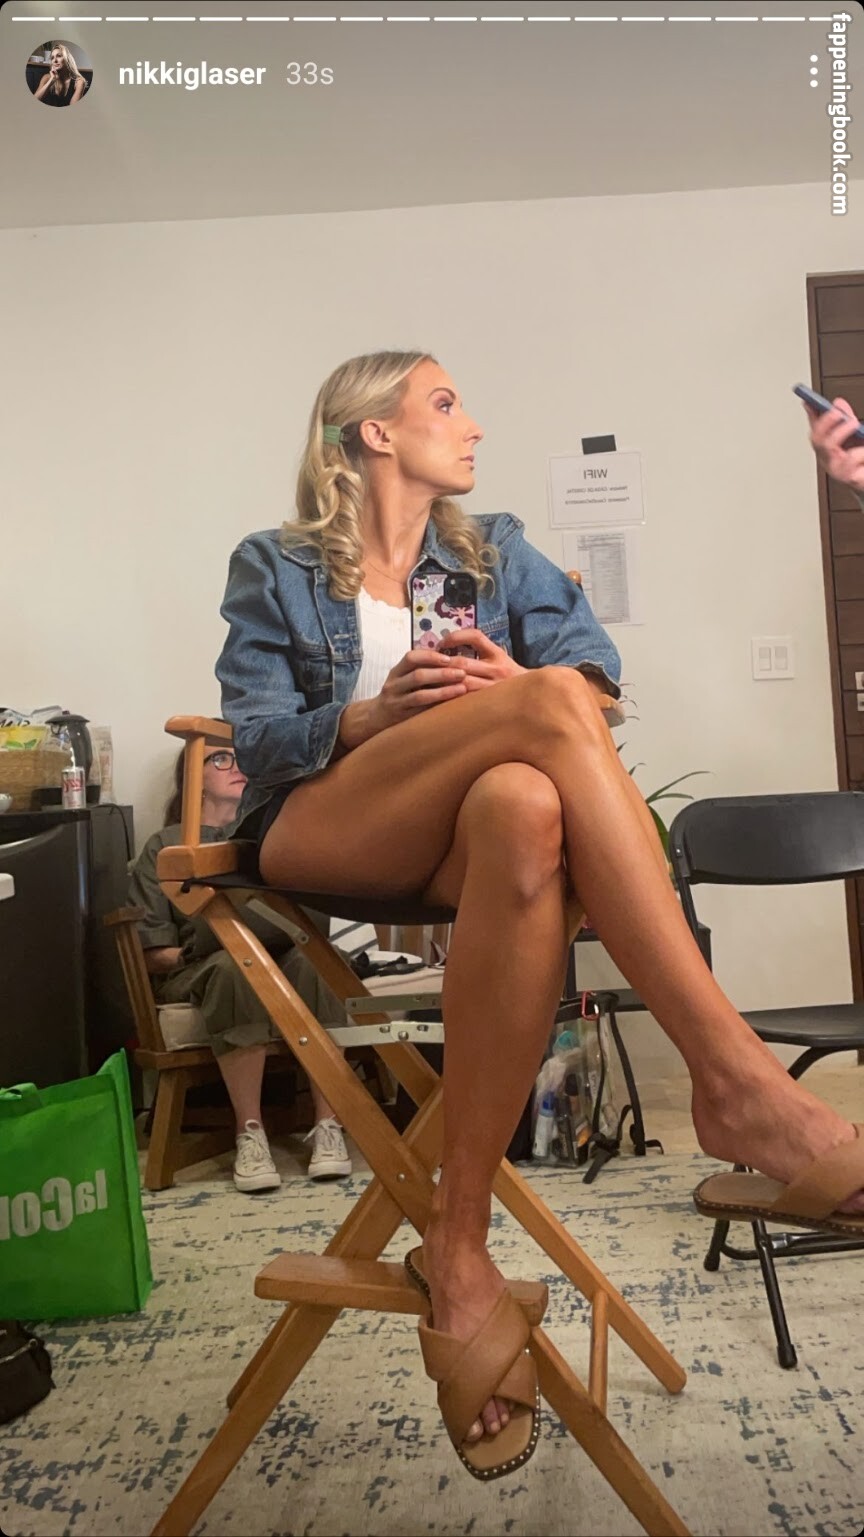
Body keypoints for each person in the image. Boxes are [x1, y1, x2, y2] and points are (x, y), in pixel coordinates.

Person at [215, 350, 864, 1479]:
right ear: (373, 431)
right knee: (547, 708)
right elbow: (256, 737)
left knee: (525, 798)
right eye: (445, 402)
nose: (472, 425)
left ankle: (459, 1246)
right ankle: (738, 1083)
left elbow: (594, 676)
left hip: (461, 840)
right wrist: (373, 716)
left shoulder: (493, 549)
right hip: (328, 822)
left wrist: (508, 687)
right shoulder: (276, 562)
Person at [127, 745, 353, 1191]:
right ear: (193, 776)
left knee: (316, 963)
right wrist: (195, 950)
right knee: (235, 968)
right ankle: (250, 1133)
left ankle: (329, 1126)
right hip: (201, 968)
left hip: (282, 955)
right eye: (220, 759)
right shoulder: (165, 845)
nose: (237, 767)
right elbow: (153, 953)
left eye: (241, 757)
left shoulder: (271, 835)